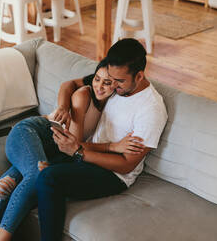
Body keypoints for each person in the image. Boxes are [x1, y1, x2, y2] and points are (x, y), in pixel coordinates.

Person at [0, 45, 145, 241]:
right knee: (37, 174)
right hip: (32, 132)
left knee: (3, 188)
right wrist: (112, 146)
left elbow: (69, 85)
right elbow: (74, 144)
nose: (100, 86)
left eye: (108, 82)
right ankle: (1, 238)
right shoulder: (84, 95)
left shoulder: (111, 102)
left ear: (116, 86)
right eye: (97, 79)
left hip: (51, 151)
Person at [36, 38, 168, 241]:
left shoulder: (151, 109)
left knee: (49, 178)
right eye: (111, 78)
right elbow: (70, 85)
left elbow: (126, 165)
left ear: (139, 75)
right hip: (87, 152)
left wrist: (78, 152)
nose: (112, 85)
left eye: (119, 81)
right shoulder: (113, 83)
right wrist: (63, 108)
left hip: (112, 175)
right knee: (37, 150)